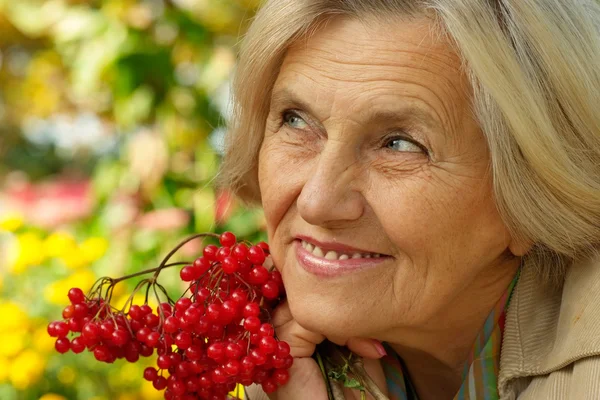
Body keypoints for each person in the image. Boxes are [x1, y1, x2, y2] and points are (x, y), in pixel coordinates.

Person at [217, 0, 600, 399]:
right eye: (295, 120)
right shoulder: (281, 357)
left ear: (533, 191)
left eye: (400, 145)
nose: (317, 202)